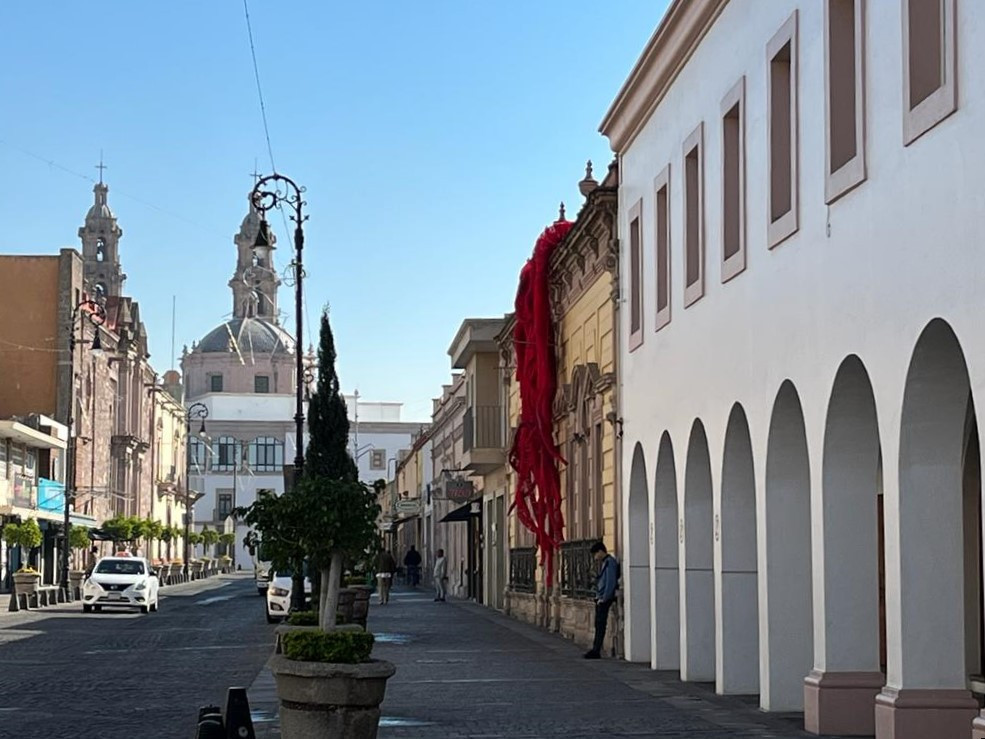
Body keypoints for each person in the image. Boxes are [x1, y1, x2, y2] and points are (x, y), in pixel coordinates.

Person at [584, 541, 620, 659]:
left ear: (600, 551)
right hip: (600, 597)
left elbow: (610, 582)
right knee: (598, 624)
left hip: (604, 598)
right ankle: (595, 649)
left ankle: (596, 650)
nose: (595, 557)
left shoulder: (610, 563)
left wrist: (604, 598)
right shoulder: (606, 563)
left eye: (595, 554)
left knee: (600, 624)